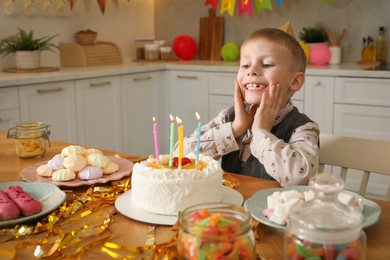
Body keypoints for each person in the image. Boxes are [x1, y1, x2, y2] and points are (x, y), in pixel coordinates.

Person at [180, 28, 320, 187]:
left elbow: (299, 179)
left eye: (267, 64)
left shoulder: (303, 128)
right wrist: (235, 128)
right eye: (245, 65)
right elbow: (181, 156)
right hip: (228, 210)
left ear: (295, 82)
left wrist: (261, 133)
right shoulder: (229, 118)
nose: (252, 71)